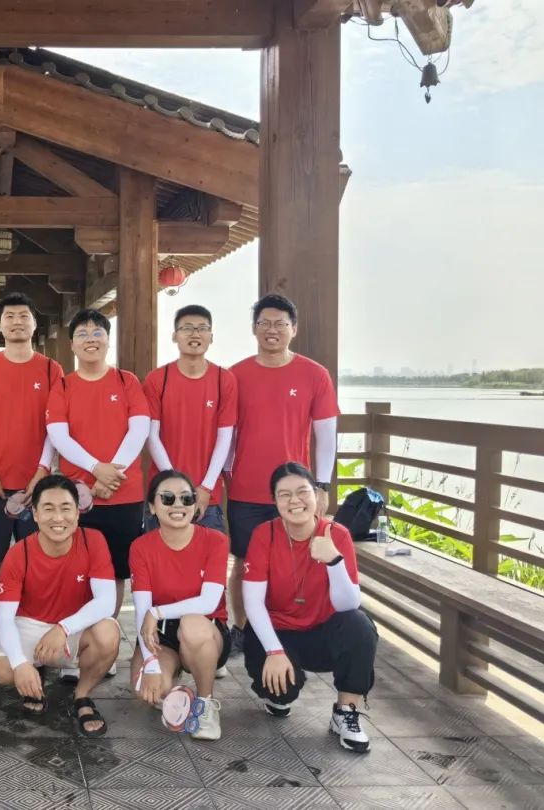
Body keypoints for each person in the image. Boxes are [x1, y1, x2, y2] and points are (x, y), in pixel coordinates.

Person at [226, 294, 339, 654]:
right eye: (264, 323)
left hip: (294, 492)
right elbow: (227, 436)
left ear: (294, 329)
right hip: (246, 488)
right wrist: (225, 474)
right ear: (254, 329)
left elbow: (326, 435)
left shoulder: (315, 374)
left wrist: (321, 485)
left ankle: (293, 627)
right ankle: (242, 629)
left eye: (280, 324)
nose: (272, 330)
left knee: (298, 560)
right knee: (244, 562)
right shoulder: (235, 375)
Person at [243, 462, 376, 753]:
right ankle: (278, 693)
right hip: (278, 632)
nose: (295, 501)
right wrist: (274, 651)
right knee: (282, 696)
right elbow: (252, 602)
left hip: (321, 633)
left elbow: (348, 604)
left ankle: (346, 711)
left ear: (316, 495)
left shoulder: (337, 534)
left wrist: (334, 562)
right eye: (284, 494)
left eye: (302, 491)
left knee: (359, 625)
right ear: (275, 501)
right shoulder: (264, 534)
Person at [0, 292, 64, 661]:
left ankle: (32, 627)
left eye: (24, 315)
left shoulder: (51, 370)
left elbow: (55, 426)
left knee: (38, 560)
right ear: (1, 325)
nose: (17, 321)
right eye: (10, 316)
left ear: (34, 324)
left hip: (36, 485)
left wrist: (42, 471)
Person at [0, 475, 120, 737]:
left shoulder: (93, 540)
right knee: (4, 671)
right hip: (30, 624)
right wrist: (20, 664)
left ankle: (82, 696)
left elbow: (107, 602)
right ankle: (33, 672)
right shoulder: (19, 553)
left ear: (77, 512)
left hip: (72, 627)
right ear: (35, 515)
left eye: (65, 508)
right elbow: (3, 619)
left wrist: (63, 628)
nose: (58, 518)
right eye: (48, 509)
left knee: (108, 633)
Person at [46, 309, 150, 618]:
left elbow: (139, 428)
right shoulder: (63, 386)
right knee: (76, 569)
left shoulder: (126, 381)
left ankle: (107, 634)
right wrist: (96, 469)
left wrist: (110, 475)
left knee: (115, 571)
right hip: (78, 496)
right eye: (82, 334)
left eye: (97, 333)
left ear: (107, 340)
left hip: (124, 494)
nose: (90, 340)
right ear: (72, 345)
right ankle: (75, 638)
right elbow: (58, 435)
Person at [130, 470, 231, 741]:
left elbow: (209, 602)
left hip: (204, 628)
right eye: (167, 498)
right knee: (145, 689)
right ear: (152, 507)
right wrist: (151, 666)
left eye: (186, 498)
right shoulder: (141, 547)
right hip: (161, 632)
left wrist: (158, 611)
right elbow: (142, 609)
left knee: (192, 623)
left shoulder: (215, 541)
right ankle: (172, 679)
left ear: (195, 505)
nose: (178, 505)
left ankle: (206, 703)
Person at [144, 305, 237, 532]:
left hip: (207, 496)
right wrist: (177, 485)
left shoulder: (224, 379)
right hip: (165, 493)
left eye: (202, 328)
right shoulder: (158, 379)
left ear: (211, 337)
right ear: (174, 336)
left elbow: (225, 438)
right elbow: (151, 436)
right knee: (158, 553)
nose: (195, 334)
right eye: (187, 328)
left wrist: (206, 487)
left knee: (209, 553)